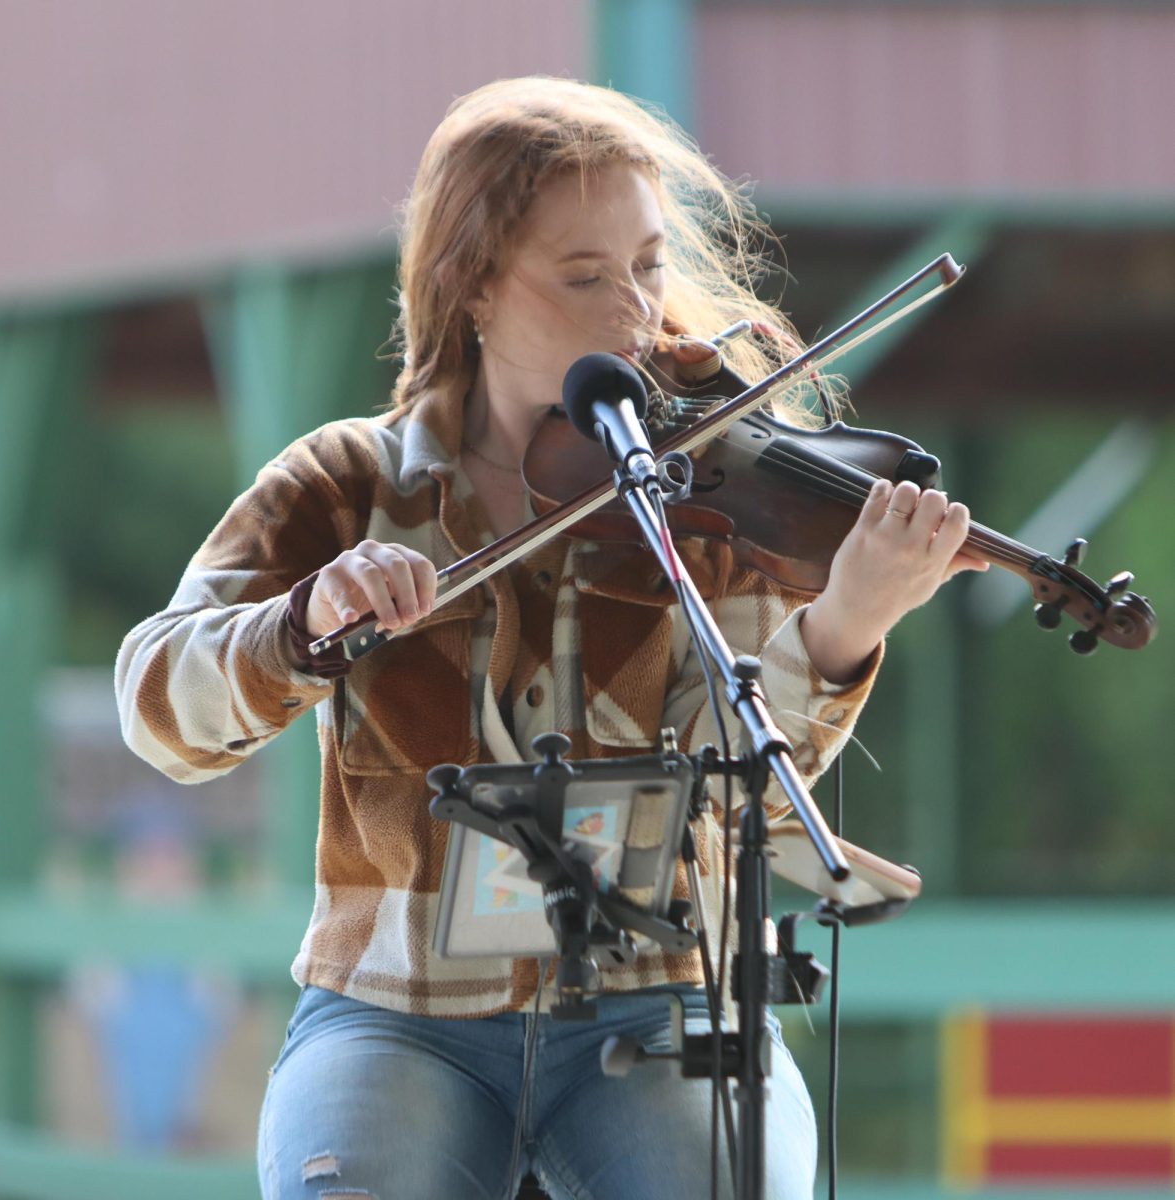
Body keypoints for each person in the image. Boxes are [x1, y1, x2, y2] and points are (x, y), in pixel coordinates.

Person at [116, 76, 985, 1200]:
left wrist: (849, 618)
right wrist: (301, 623)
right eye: (583, 274)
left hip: (665, 995)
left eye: (648, 263)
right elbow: (157, 709)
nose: (633, 305)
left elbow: (745, 792)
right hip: (401, 1011)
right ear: (470, 283)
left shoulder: (702, 485)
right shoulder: (346, 484)